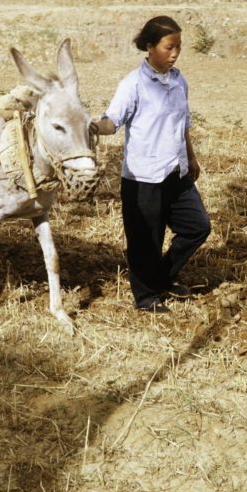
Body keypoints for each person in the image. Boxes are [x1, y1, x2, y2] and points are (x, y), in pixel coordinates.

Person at [91, 16, 211, 312]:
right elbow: (112, 122)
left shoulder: (179, 81)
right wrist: (92, 126)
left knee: (198, 227)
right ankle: (146, 298)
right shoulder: (133, 84)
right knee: (146, 240)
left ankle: (161, 277)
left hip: (176, 171)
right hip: (143, 177)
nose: (175, 53)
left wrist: (191, 157)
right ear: (149, 46)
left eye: (179, 47)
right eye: (169, 47)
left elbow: (183, 125)